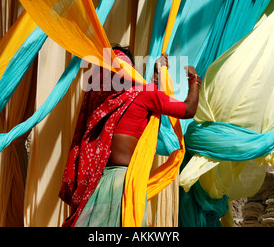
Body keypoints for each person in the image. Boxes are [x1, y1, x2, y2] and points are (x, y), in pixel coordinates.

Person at [59, 46, 201, 227]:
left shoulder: (100, 104)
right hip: (125, 184)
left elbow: (143, 106)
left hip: (97, 185)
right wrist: (194, 80)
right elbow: (188, 109)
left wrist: (157, 76)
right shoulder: (143, 95)